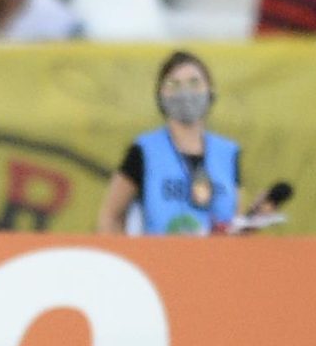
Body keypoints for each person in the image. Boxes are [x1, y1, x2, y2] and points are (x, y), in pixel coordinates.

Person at [95, 51, 241, 235]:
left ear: (210, 91)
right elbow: (110, 215)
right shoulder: (144, 150)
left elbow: (236, 218)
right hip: (159, 251)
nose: (185, 93)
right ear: (160, 95)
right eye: (174, 84)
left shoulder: (228, 153)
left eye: (194, 83)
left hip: (217, 253)